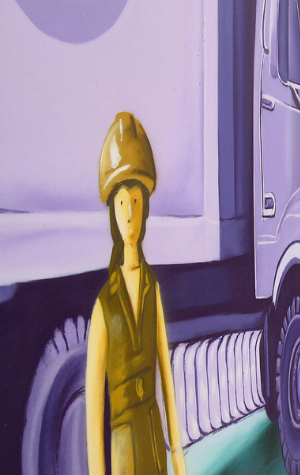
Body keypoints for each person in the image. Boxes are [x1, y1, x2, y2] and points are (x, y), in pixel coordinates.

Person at [86, 113, 187, 475]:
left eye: (136, 202)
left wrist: (177, 452)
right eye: (121, 204)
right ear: (111, 212)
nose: (130, 214)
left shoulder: (151, 288)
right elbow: (94, 410)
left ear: (145, 208)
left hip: (153, 435)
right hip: (123, 449)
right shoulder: (104, 306)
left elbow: (165, 373)